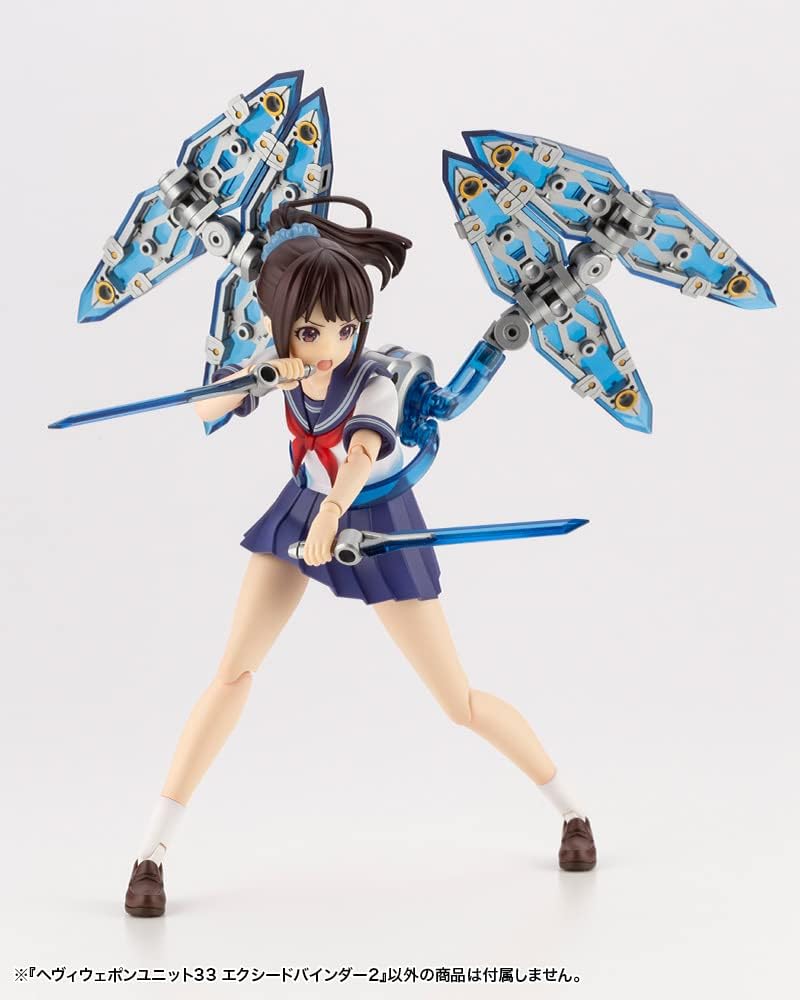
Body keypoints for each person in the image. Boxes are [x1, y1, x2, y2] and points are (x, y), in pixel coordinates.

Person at [124, 195, 596, 918]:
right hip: (299, 513)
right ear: (283, 322)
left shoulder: (370, 377)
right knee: (231, 674)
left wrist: (334, 512)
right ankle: (152, 851)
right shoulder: (281, 361)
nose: (332, 344)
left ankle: (571, 810)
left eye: (346, 327)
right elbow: (202, 409)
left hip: (371, 516)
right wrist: (254, 379)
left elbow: (362, 452)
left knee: (458, 702)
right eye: (314, 330)